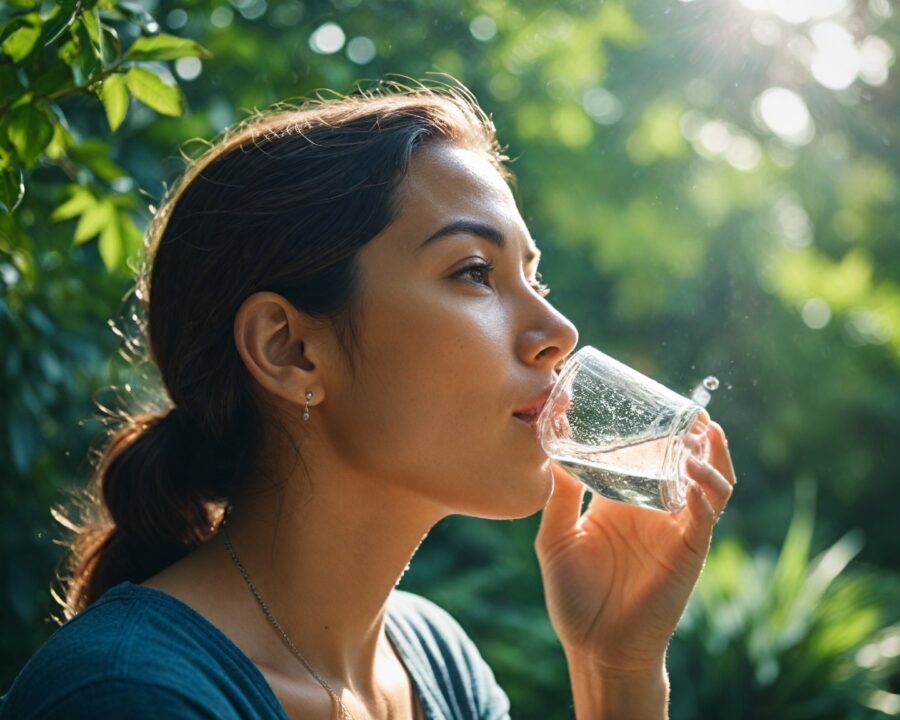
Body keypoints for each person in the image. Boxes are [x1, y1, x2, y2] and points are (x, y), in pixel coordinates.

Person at [0, 81, 736, 719]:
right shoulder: (129, 695)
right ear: (290, 350)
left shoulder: (439, 665)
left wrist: (616, 673)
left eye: (533, 280)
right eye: (476, 272)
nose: (558, 331)